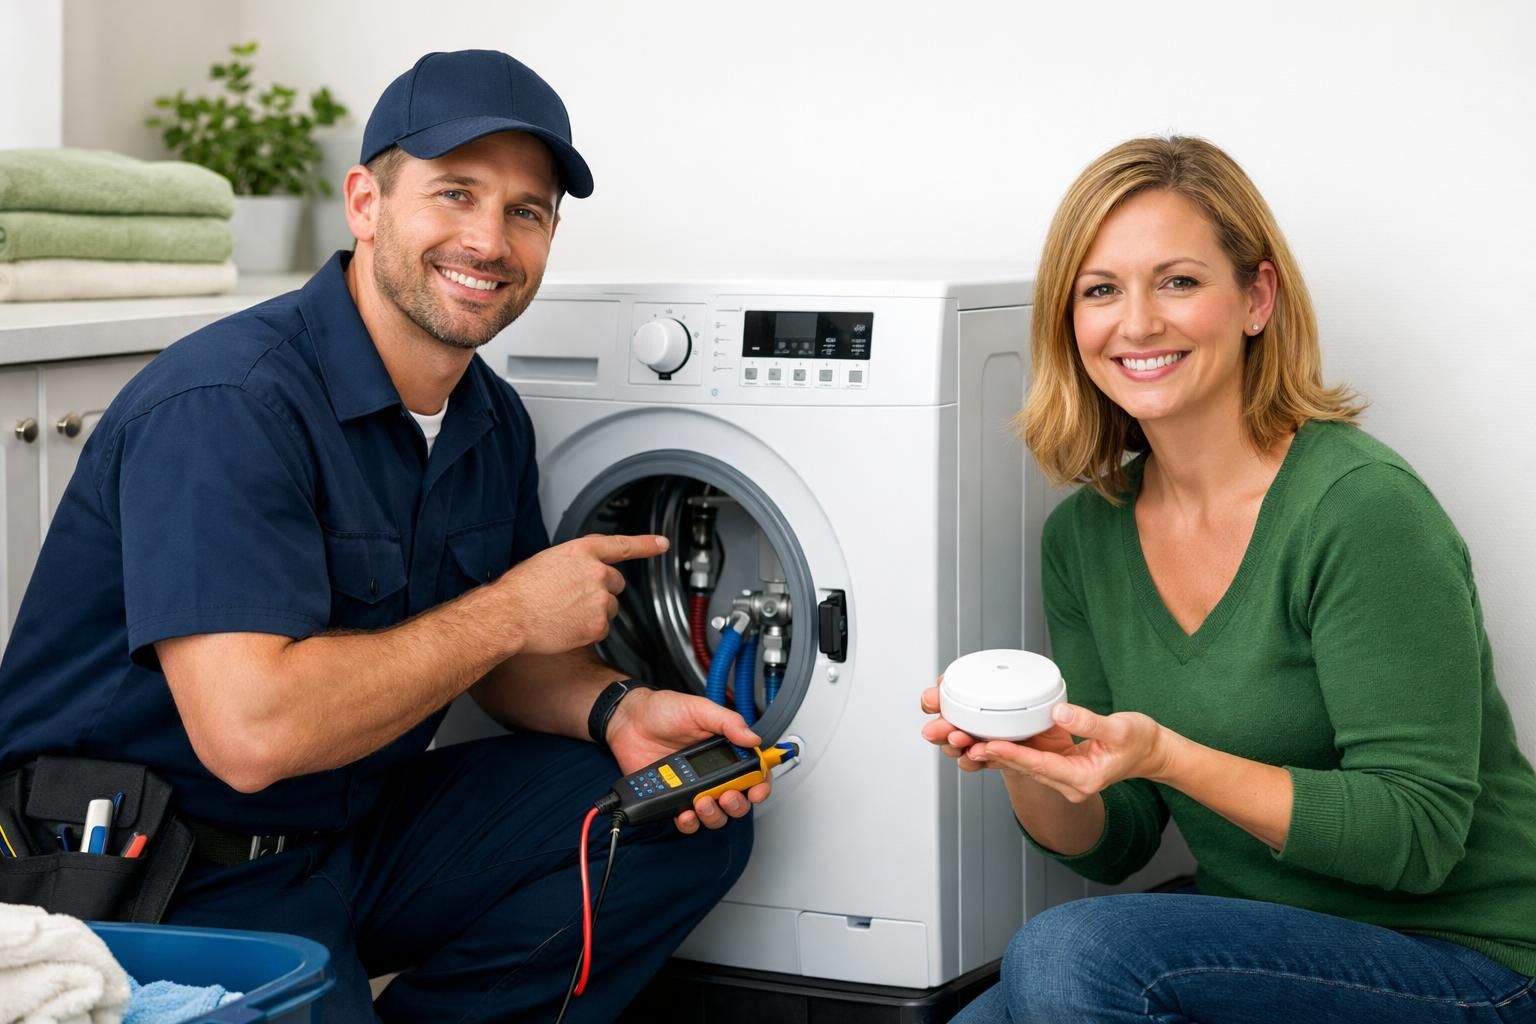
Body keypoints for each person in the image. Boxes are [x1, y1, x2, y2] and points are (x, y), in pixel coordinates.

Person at [0, 50, 765, 1022]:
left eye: (526, 211)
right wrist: (508, 612)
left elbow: (510, 664)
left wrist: (618, 709)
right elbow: (252, 735)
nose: (489, 239)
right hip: (156, 867)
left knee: (669, 816)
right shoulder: (229, 405)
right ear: (366, 203)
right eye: (455, 193)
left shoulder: (487, 418)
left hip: (345, 828)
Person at [922, 136, 1536, 1023]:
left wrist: (1167, 755)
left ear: (1256, 298)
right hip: (1261, 943)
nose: (1137, 324)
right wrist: (1028, 759)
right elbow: (1117, 843)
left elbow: (1417, 833)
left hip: (1470, 960)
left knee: (1068, 952)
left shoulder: (1360, 508)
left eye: (1177, 281)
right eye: (1100, 290)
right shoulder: (1084, 538)